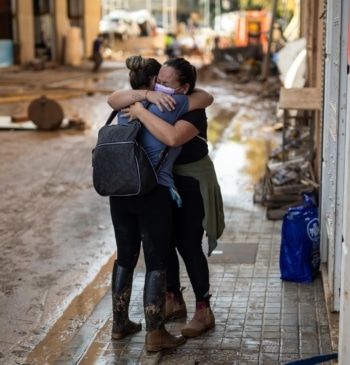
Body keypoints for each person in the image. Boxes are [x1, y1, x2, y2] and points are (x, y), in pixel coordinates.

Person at [109, 57, 225, 339]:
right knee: (164, 244)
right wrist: (146, 97)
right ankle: (173, 299)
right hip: (160, 184)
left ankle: (203, 310)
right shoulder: (152, 100)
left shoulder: (189, 109)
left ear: (183, 88)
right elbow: (113, 99)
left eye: (167, 83)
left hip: (190, 182)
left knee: (187, 244)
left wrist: (141, 109)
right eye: (158, 80)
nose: (160, 86)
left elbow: (175, 135)